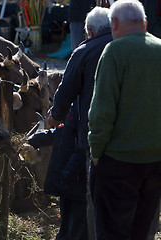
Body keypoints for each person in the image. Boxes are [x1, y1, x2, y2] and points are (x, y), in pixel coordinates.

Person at [88, 0, 161, 239]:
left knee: (112, 233)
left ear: (114, 23)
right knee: (141, 232)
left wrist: (96, 152)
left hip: (118, 161)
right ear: (145, 23)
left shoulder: (114, 51)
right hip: (155, 160)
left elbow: (101, 112)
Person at [46, 6, 113, 240]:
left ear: (90, 32)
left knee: (93, 194)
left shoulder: (85, 50)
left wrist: (54, 117)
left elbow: (65, 94)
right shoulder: (124, 47)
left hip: (93, 136)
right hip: (131, 138)